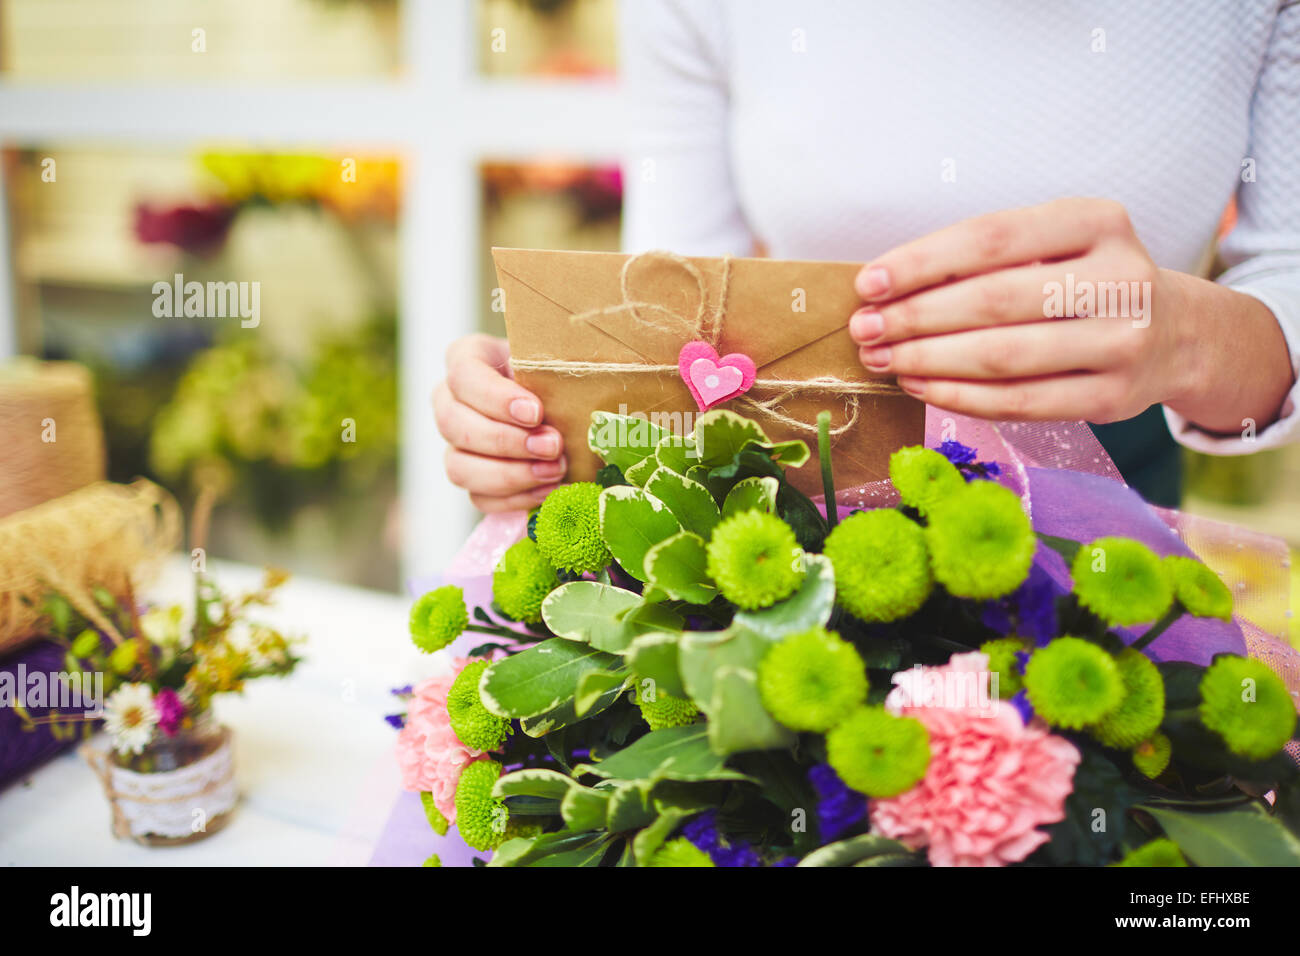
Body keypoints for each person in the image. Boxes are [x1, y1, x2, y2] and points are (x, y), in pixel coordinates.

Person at [435, 0, 1300, 513]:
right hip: (788, 545)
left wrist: (1188, 336)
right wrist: (559, 416)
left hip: (1111, 537)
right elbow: (673, 302)